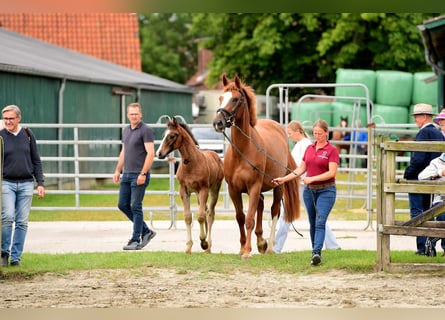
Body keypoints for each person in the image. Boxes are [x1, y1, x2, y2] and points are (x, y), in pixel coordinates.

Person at [272, 119, 339, 266]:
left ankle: (319, 251)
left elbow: (330, 172)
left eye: (320, 133)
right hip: (304, 187)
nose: (317, 136)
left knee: (319, 220)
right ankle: (326, 247)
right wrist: (283, 179)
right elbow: (299, 168)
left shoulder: (323, 149)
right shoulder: (307, 148)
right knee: (312, 220)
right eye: (315, 133)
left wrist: (310, 178)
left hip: (317, 188)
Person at [1, 105, 45, 267]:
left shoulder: (27, 134)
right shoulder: (0, 136)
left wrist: (40, 183)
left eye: (11, 118)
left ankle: (16, 257)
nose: (8, 122)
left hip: (26, 183)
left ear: (18, 118)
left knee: (22, 221)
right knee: (7, 217)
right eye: (5, 118)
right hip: (6, 183)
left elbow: (36, 160)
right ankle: (4, 252)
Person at [113, 102, 156, 250]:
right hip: (127, 174)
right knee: (122, 205)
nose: (133, 116)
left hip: (139, 174)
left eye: (136, 114)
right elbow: (124, 152)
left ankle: (135, 239)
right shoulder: (126, 130)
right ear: (127, 115)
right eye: (131, 114)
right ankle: (146, 231)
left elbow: (151, 153)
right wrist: (118, 170)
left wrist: (143, 173)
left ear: (141, 114)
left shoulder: (146, 130)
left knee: (135, 206)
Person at [404, 103, 444, 255]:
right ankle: (430, 246)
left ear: (425, 117)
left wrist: (408, 173)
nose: (415, 120)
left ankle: (422, 247)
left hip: (420, 178)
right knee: (429, 212)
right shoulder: (438, 133)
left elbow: (419, 159)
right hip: (433, 178)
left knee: (418, 213)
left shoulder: (423, 133)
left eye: (417, 116)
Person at [418, 152, 445, 257]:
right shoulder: (436, 162)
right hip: (441, 199)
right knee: (443, 217)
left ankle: (431, 241)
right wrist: (440, 172)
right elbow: (421, 177)